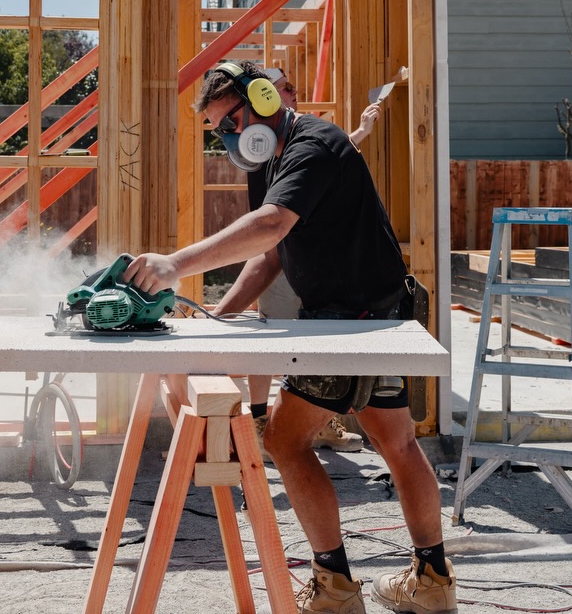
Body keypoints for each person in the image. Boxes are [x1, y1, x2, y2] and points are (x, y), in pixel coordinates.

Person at [123, 62, 454, 614]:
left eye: (230, 122)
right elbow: (272, 252)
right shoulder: (268, 159)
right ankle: (433, 582)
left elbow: (272, 224)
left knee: (283, 439)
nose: (228, 137)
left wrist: (174, 265)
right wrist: (219, 316)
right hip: (369, 314)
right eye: (218, 130)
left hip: (350, 322)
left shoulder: (312, 144)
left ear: (262, 99)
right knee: (396, 443)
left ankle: (334, 587)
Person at [245, 66, 379, 458]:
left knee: (311, 341)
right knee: (269, 339)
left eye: (291, 86)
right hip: (279, 254)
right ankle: (259, 420)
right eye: (284, 88)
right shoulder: (261, 144)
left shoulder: (301, 138)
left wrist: (359, 133)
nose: (294, 92)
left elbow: (323, 164)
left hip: (311, 258)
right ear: (265, 98)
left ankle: (318, 421)